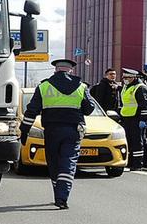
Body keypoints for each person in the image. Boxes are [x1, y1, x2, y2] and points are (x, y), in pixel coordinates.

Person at [19, 57, 97, 209]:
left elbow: (31, 111)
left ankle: (58, 193)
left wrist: (24, 130)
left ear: (55, 70)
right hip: (73, 130)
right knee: (68, 162)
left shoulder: (44, 86)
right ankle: (62, 197)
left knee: (53, 162)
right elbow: (89, 109)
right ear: (71, 70)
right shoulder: (81, 86)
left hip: (52, 131)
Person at [118, 67, 147, 170]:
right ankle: (130, 161)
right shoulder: (126, 87)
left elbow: (145, 106)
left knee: (138, 141)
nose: (125, 79)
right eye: (124, 77)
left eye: (127, 77)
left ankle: (138, 164)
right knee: (128, 140)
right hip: (126, 118)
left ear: (133, 77)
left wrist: (143, 120)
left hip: (136, 118)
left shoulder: (140, 88)